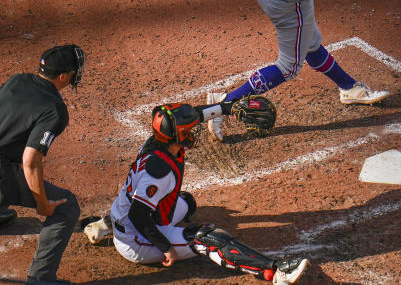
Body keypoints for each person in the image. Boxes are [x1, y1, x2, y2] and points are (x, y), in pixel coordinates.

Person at [207, 0, 390, 140]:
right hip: (290, 10)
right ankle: (225, 102)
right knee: (289, 67)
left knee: (311, 45)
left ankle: (350, 88)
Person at [107, 102, 309, 284]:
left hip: (131, 216)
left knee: (186, 202)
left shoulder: (160, 142)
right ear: (179, 134)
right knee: (206, 237)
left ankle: (105, 223)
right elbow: (138, 214)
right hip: (136, 240)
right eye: (189, 129)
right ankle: (275, 271)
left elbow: (197, 114)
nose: (194, 130)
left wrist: (228, 107)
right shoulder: (159, 172)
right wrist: (165, 247)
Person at [0, 44, 86, 284]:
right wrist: (42, 204)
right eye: (74, 70)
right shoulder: (55, 109)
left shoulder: (17, 80)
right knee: (66, 206)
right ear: (63, 77)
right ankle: (41, 278)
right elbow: (31, 161)